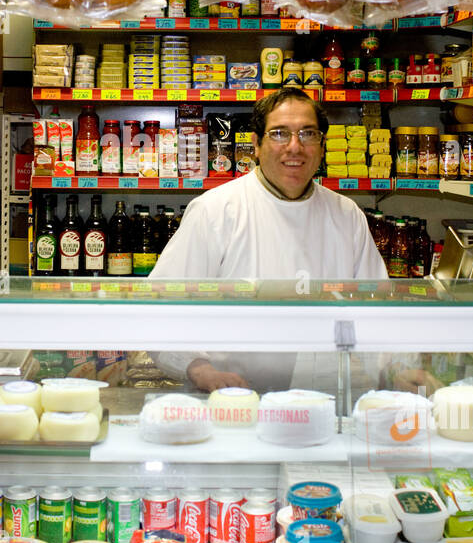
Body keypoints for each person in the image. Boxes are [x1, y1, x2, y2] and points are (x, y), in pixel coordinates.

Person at [150, 88, 387, 391]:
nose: (294, 147)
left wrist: (393, 368)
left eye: (308, 134)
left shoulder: (346, 214)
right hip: (232, 399)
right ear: (256, 145)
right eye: (278, 134)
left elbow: (377, 309)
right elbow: (159, 306)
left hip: (324, 400)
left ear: (322, 145)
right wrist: (198, 370)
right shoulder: (216, 211)